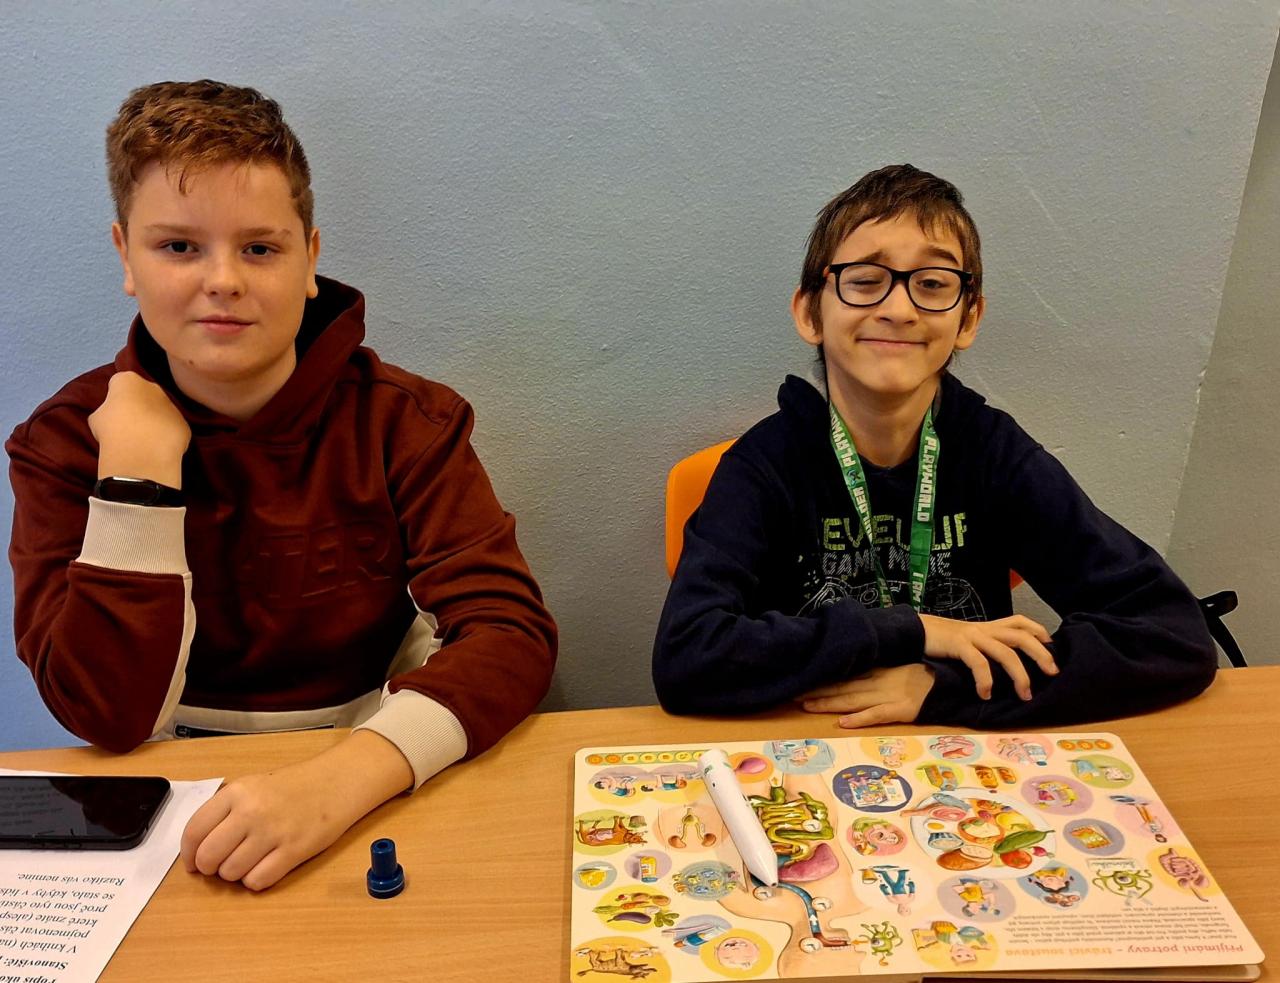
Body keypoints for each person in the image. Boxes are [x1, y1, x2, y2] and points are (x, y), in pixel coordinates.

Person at [6, 80, 557, 889]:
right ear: (125, 255)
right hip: (157, 798)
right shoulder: (62, 441)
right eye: (179, 247)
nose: (223, 279)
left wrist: (341, 780)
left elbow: (511, 633)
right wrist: (136, 482)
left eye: (260, 248)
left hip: (366, 771)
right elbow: (107, 717)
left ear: (310, 258)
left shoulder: (405, 420)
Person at [652, 164, 1216, 728]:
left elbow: (1172, 635)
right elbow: (687, 658)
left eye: (932, 284)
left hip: (960, 746)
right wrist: (911, 629)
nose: (899, 309)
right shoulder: (765, 465)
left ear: (968, 318)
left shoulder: (994, 455)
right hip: (809, 744)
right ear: (810, 312)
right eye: (865, 279)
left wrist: (943, 688)